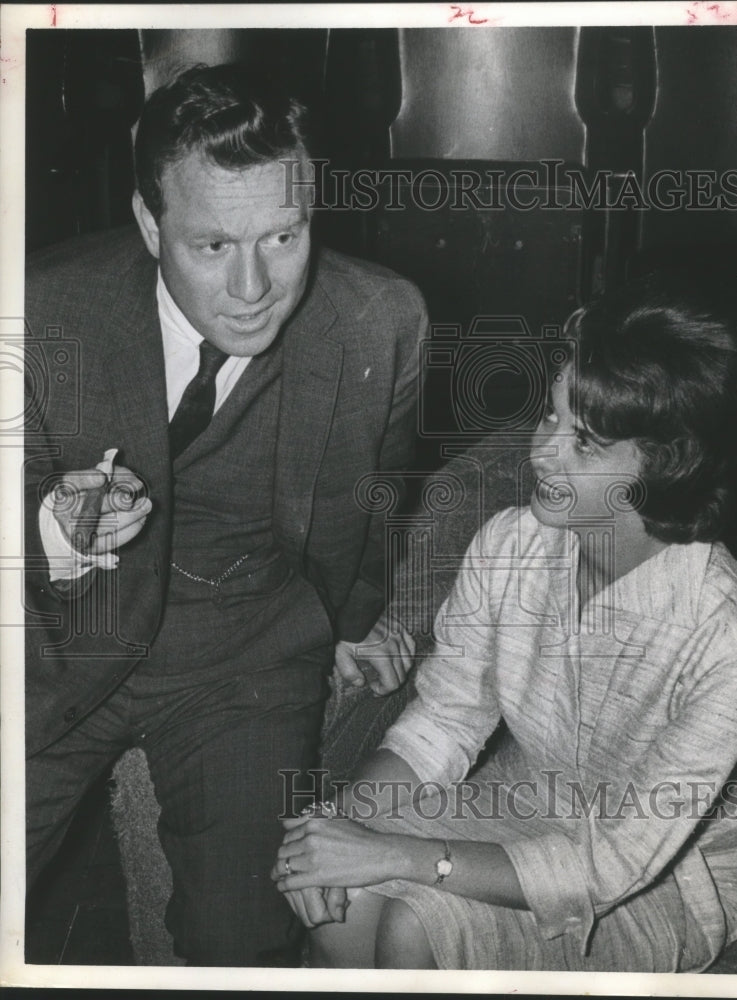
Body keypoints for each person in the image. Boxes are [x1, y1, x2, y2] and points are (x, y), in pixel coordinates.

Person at [24, 63, 425, 966]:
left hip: (247, 662)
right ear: (146, 223)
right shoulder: (40, 309)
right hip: (62, 640)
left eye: (283, 236)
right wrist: (50, 534)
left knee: (241, 945)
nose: (253, 286)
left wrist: (349, 622)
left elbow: (378, 489)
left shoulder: (381, 320)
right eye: (211, 246)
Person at [272, 274, 737, 971]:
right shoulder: (510, 541)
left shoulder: (735, 642)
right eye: (549, 416)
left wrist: (395, 854)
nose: (541, 452)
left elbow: (614, 862)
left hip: (665, 876)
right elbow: (443, 720)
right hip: (524, 794)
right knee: (338, 903)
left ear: (667, 463)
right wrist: (338, 828)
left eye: (585, 442)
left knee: (416, 925)